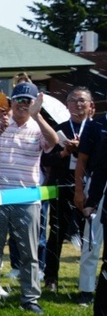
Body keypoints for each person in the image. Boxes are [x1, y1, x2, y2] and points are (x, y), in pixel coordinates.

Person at [0, 82, 58, 314]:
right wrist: (2, 128)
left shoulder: (38, 127)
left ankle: (30, 297)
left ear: (34, 104)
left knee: (29, 252)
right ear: (11, 102)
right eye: (19, 100)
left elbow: (52, 142)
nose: (22, 104)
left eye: (27, 101)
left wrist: (39, 117)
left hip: (26, 198)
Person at [41, 86, 94, 291]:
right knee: (56, 233)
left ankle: (86, 281)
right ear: (67, 104)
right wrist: (64, 152)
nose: (78, 105)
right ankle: (51, 278)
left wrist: (82, 150)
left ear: (90, 105)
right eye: (73, 100)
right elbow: (45, 159)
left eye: (82, 100)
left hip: (89, 188)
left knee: (87, 236)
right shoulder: (57, 129)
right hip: (62, 186)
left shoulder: (97, 128)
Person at [74, 110, 107, 304]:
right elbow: (83, 160)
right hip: (100, 185)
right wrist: (83, 193)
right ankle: (86, 289)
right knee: (92, 239)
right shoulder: (96, 124)